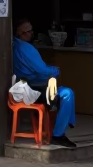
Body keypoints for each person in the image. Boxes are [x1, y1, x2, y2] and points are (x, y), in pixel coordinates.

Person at [12, 20, 77, 148]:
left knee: (63, 91)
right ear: (20, 33)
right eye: (28, 31)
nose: (31, 34)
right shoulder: (26, 48)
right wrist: (55, 70)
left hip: (26, 87)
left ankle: (70, 121)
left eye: (31, 31)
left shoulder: (14, 45)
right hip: (34, 89)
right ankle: (58, 134)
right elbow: (42, 70)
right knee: (67, 94)